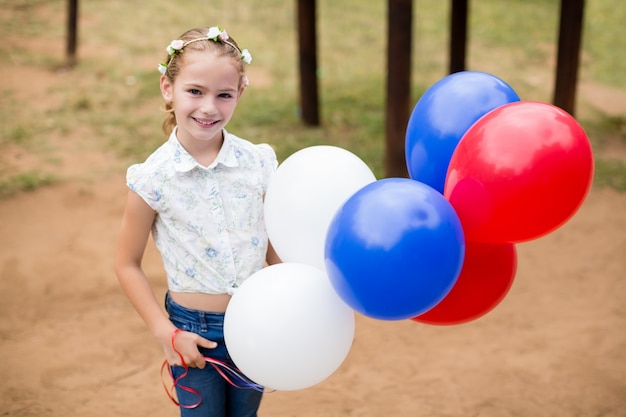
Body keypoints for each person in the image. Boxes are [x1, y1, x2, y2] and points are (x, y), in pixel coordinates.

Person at [115, 25, 281, 417]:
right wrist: (165, 332)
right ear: (167, 89)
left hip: (255, 321)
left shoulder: (258, 163)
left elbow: (270, 240)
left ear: (240, 92)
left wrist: (294, 296)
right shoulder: (152, 179)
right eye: (195, 91)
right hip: (193, 334)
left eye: (223, 95)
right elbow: (126, 263)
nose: (209, 107)